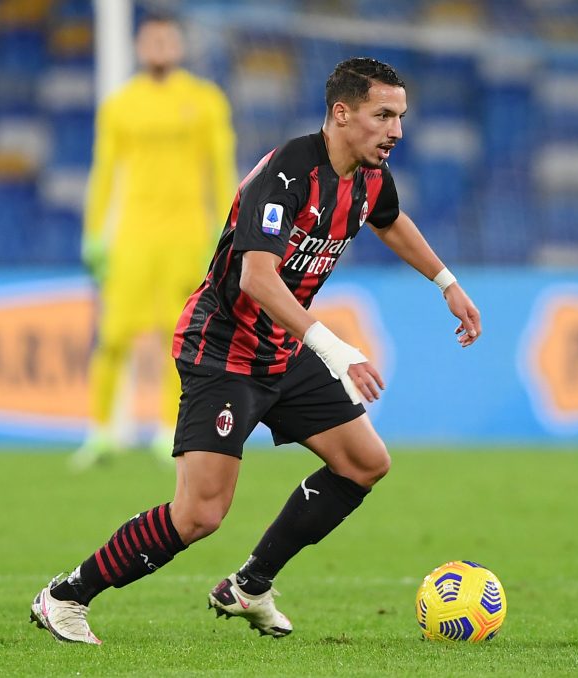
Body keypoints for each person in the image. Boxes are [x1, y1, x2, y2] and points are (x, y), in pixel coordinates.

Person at [31, 56, 482, 645]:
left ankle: (249, 585)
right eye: (383, 116)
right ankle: (65, 596)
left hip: (282, 346)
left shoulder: (371, 176)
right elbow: (257, 279)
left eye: (400, 117)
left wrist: (446, 283)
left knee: (365, 462)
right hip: (222, 348)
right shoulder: (288, 174)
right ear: (342, 114)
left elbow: (390, 219)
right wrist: (334, 348)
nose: (396, 130)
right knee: (199, 514)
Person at [73, 12, 237, 469]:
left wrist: (225, 229)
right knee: (112, 335)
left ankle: (170, 429)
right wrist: (94, 233)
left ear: (179, 47)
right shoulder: (121, 105)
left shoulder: (205, 101)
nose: (159, 47)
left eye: (167, 40)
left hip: (187, 235)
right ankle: (100, 433)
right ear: (139, 48)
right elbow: (105, 172)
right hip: (133, 236)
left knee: (179, 337)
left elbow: (220, 167)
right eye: (152, 40)